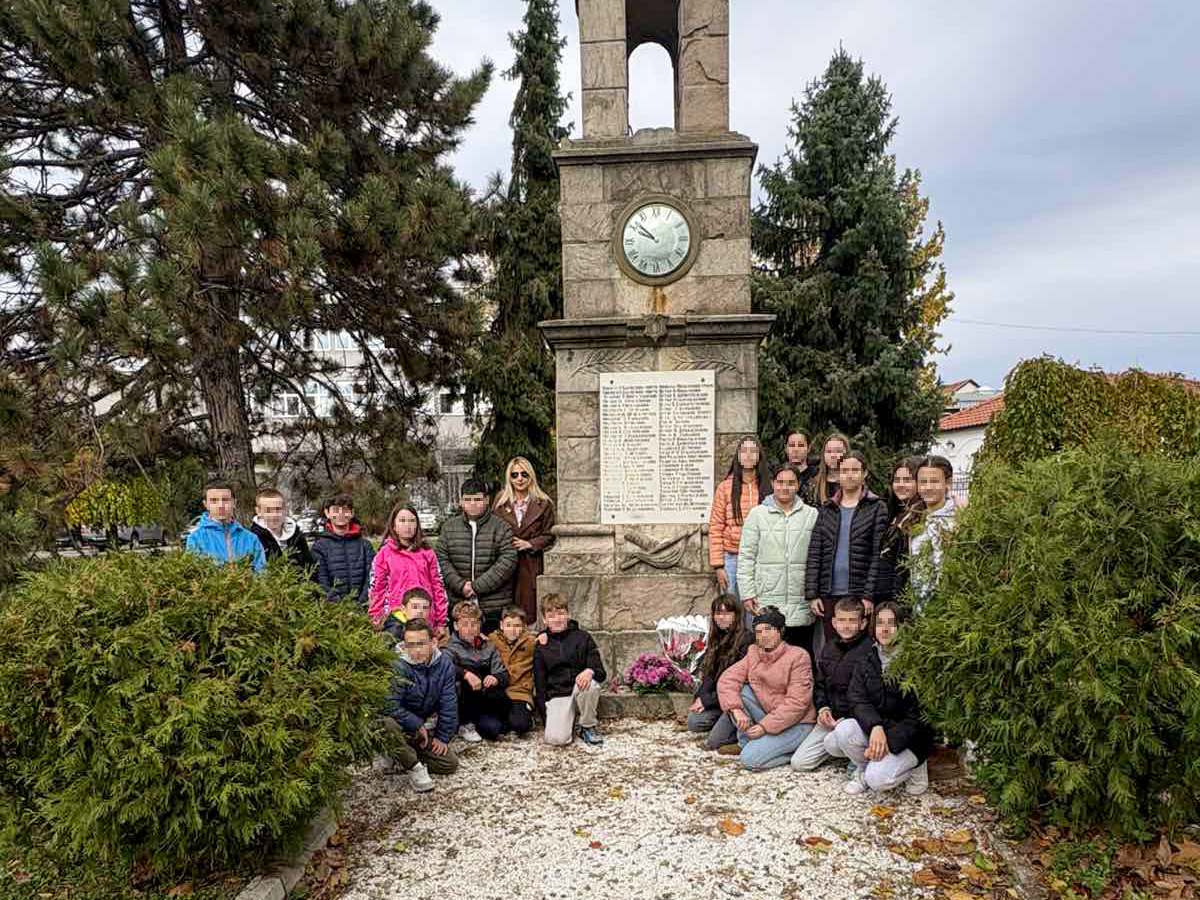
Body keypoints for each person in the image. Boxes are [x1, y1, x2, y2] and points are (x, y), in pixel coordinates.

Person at [829, 602, 933, 794]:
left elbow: (918, 718)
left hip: (910, 738)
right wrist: (875, 726)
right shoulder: (867, 659)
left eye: (891, 623)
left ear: (902, 627)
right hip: (879, 729)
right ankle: (864, 768)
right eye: (880, 623)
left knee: (877, 781)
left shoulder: (916, 662)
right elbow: (857, 699)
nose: (885, 629)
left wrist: (888, 742)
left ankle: (916, 766)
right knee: (841, 732)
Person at [716, 606, 816, 771]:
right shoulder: (754, 652)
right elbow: (727, 679)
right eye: (759, 631)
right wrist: (736, 709)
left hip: (797, 724)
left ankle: (791, 753)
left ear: (781, 631)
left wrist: (764, 727)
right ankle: (746, 743)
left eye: (769, 630)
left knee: (749, 760)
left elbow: (797, 704)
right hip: (770, 715)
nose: (764, 636)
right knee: (741, 692)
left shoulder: (798, 656)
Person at [806, 451, 887, 647]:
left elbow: (878, 555)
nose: (849, 475)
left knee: (860, 649)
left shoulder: (877, 507)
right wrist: (813, 594)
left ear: (864, 473)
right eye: (845, 471)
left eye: (854, 470)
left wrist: (868, 595)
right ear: (839, 474)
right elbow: (815, 552)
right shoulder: (827, 509)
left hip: (859, 594)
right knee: (832, 647)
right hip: (829, 593)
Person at [737, 463, 820, 651]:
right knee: (767, 658)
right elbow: (746, 557)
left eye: (791, 482)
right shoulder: (757, 515)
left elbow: (818, 559)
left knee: (801, 657)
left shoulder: (811, 515)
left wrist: (815, 593)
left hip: (801, 601)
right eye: (780, 482)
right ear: (773, 483)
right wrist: (747, 593)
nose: (785, 487)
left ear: (798, 485)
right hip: (767, 599)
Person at [790, 597, 875, 775]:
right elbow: (820, 684)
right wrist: (823, 709)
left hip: (855, 721)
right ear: (834, 623)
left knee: (845, 734)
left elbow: (869, 696)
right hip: (831, 718)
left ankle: (860, 760)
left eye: (852, 620)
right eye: (842, 620)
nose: (846, 625)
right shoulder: (829, 648)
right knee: (800, 763)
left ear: (863, 623)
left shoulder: (869, 651)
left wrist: (850, 719)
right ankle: (841, 751)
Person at [382, 617, 460, 791]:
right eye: (410, 645)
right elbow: (388, 705)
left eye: (421, 644)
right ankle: (413, 766)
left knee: (449, 764)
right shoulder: (398, 665)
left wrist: (442, 737)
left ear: (433, 642)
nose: (415, 650)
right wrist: (416, 724)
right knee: (386, 724)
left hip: (419, 729)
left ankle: (400, 753)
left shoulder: (445, 664)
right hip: (400, 723)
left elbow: (449, 702)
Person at [436, 480, 519, 635]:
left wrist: (476, 587)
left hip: (493, 607)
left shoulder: (501, 527)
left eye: (477, 499)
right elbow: (441, 560)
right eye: (468, 500)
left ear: (487, 500)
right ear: (461, 502)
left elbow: (507, 561)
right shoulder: (449, 528)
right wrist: (461, 586)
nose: (472, 504)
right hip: (458, 606)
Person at [534, 593, 607, 747]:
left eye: (561, 613)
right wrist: (546, 717)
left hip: (578, 688)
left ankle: (587, 726)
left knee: (591, 685)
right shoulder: (541, 644)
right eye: (551, 615)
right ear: (545, 620)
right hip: (558, 694)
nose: (557, 619)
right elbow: (539, 683)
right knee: (556, 740)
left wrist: (589, 671)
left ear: (568, 614)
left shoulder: (583, 637)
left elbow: (600, 672)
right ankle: (567, 720)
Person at [493, 457, 556, 626]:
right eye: (514, 475)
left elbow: (550, 533)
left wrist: (531, 544)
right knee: (507, 616)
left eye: (524, 474)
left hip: (531, 563)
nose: (519, 479)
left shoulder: (544, 503)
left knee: (530, 615)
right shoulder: (500, 503)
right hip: (506, 565)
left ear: (531, 477)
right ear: (509, 478)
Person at [687, 594, 753, 751]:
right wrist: (700, 699)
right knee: (694, 721)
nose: (721, 618)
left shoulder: (746, 640)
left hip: (736, 699)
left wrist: (708, 701)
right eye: (718, 613)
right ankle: (721, 723)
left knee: (715, 742)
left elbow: (738, 684)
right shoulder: (716, 639)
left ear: (736, 615)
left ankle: (741, 737)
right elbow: (709, 675)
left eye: (727, 613)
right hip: (719, 700)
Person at [369, 501, 448, 632]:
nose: (407, 525)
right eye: (402, 520)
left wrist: (441, 621)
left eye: (412, 521)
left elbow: (438, 587)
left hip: (426, 618)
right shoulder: (384, 554)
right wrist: (376, 619)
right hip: (396, 620)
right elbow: (377, 589)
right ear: (394, 525)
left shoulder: (428, 553)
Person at [709, 436, 772, 599]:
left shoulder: (769, 487)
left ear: (759, 456)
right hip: (732, 557)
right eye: (744, 451)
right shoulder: (725, 488)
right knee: (732, 607)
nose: (749, 455)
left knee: (757, 609)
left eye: (753, 451)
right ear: (738, 456)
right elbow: (716, 526)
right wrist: (718, 566)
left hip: (761, 558)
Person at [443, 600, 510, 743]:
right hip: (462, 700)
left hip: (485, 699)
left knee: (496, 730)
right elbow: (444, 667)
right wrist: (465, 674)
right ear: (456, 625)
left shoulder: (489, 647)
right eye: (465, 624)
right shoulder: (450, 648)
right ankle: (465, 724)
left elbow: (504, 674)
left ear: (480, 625)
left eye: (474, 624)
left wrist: (495, 677)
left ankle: (483, 721)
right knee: (466, 673)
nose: (470, 629)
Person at [909, 455, 959, 610]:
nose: (928, 487)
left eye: (935, 481)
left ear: (948, 483)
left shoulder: (958, 518)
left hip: (950, 603)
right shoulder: (914, 519)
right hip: (919, 604)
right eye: (923, 482)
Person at [874, 458, 924, 607]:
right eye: (897, 480)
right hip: (882, 594)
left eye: (907, 480)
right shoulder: (895, 512)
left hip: (900, 598)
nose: (901, 485)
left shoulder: (921, 516)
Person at [185, 480, 266, 571]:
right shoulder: (196, 539)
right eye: (214, 501)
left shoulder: (251, 539)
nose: (221, 505)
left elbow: (262, 574)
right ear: (206, 504)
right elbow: (194, 575)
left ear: (234, 503)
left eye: (225, 500)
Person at [311, 493, 374, 604]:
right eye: (335, 510)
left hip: (364, 611)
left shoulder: (365, 546)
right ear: (327, 513)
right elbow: (321, 582)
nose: (340, 514)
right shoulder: (319, 547)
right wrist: (342, 609)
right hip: (334, 613)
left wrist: (361, 605)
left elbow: (372, 578)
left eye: (345, 510)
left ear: (352, 513)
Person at [488, 605, 536, 737]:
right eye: (508, 625)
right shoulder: (493, 639)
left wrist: (544, 636)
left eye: (517, 626)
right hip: (501, 690)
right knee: (497, 728)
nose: (512, 630)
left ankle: (526, 715)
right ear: (501, 625)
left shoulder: (530, 642)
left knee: (520, 726)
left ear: (523, 626)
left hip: (520, 691)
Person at [249, 488, 315, 572]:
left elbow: (309, 566)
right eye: (268, 510)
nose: (274, 515)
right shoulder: (254, 538)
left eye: (278, 509)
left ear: (285, 510)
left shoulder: (296, 534)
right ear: (258, 511)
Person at [805, 433, 850, 507]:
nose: (833, 455)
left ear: (846, 454)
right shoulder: (813, 485)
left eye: (838, 451)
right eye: (829, 451)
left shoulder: (854, 483)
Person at [781, 431, 818, 497]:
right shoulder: (777, 475)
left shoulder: (817, 475)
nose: (796, 449)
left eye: (801, 445)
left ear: (808, 448)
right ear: (786, 448)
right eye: (792, 445)